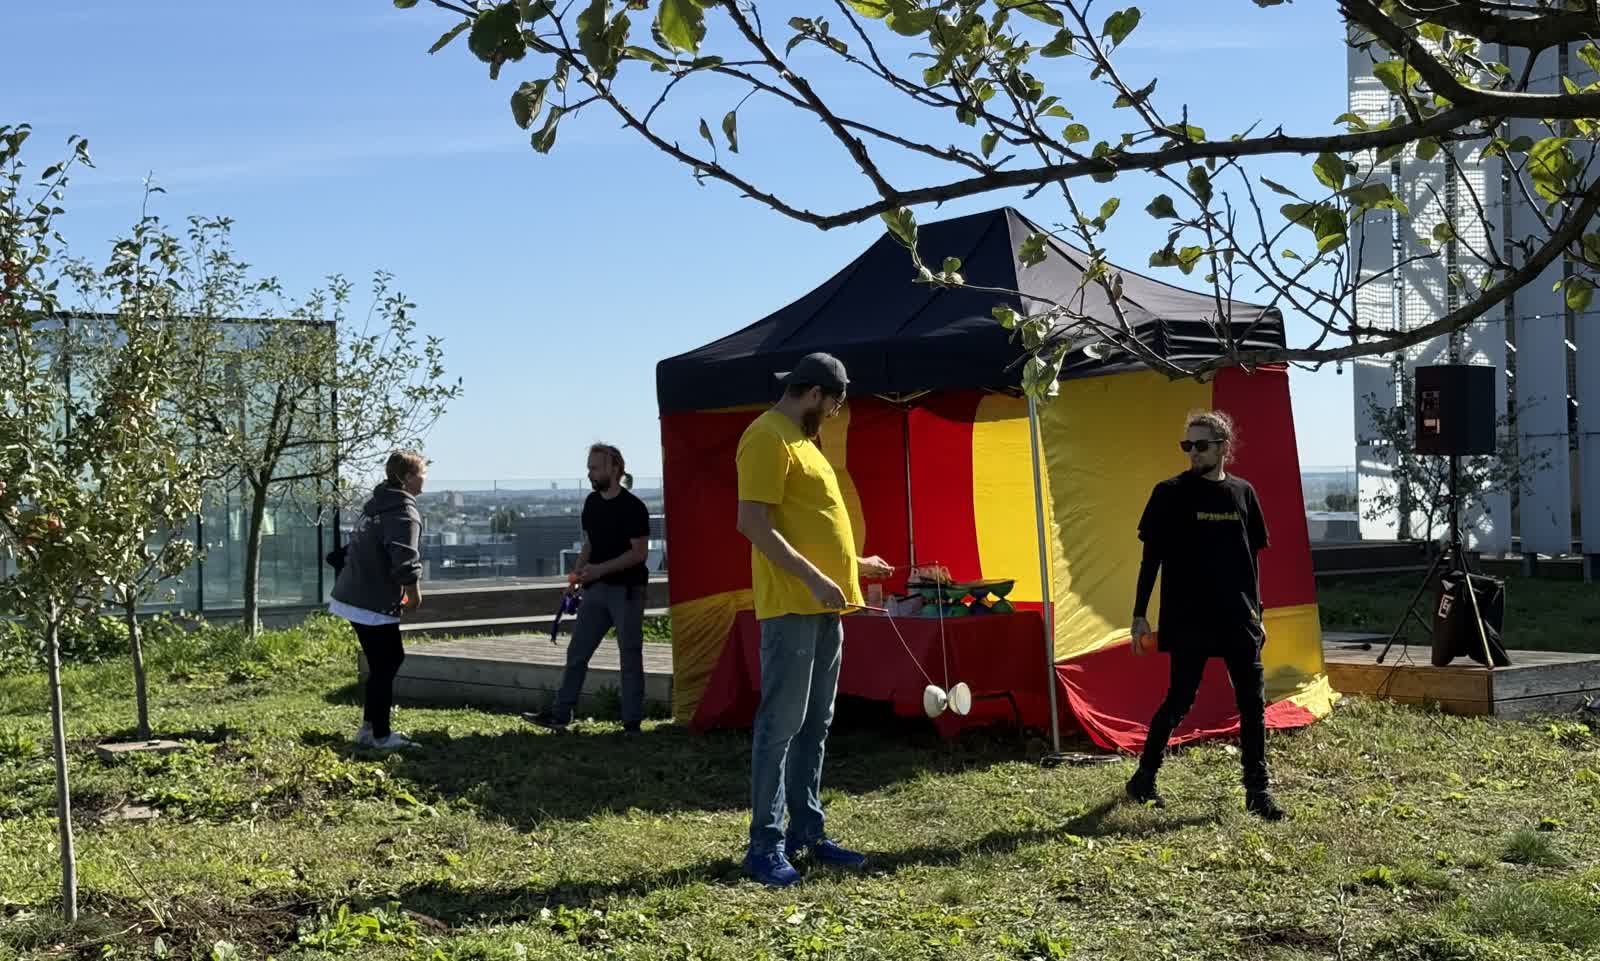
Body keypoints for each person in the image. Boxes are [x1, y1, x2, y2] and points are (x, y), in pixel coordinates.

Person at [735, 352, 894, 887]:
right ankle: (764, 845)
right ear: (815, 394)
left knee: (815, 725)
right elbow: (753, 522)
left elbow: (810, 524)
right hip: (793, 606)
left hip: (827, 605)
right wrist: (812, 578)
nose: (833, 414)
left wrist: (855, 565)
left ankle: (807, 831)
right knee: (780, 726)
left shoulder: (803, 440)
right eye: (834, 404)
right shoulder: (767, 436)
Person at [1126, 410, 1286, 821]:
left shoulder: (1243, 493)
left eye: (1200, 445)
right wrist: (1139, 615)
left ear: (1223, 448)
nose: (1192, 453)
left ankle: (1258, 792)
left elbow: (1251, 559)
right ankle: (1144, 778)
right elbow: (1151, 560)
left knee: (1252, 704)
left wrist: (1259, 612)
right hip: (1188, 617)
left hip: (1238, 617)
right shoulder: (1169, 493)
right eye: (1187, 445)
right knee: (1180, 700)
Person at [527, 444, 652, 735]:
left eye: (595, 467)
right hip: (595, 590)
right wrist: (576, 579)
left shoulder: (634, 508)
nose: (590, 472)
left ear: (615, 468)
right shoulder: (592, 503)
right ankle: (560, 714)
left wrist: (598, 570)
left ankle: (632, 723)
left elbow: (639, 554)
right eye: (589, 467)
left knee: (630, 655)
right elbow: (590, 544)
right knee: (577, 652)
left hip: (627, 591)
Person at [330, 450, 427, 751]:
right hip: (372, 600)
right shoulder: (402, 512)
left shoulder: (376, 506)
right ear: (409, 477)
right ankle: (381, 735)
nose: (425, 479)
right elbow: (404, 558)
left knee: (380, 662)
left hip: (352, 594)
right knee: (388, 661)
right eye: (423, 472)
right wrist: (414, 594)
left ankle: (369, 729)